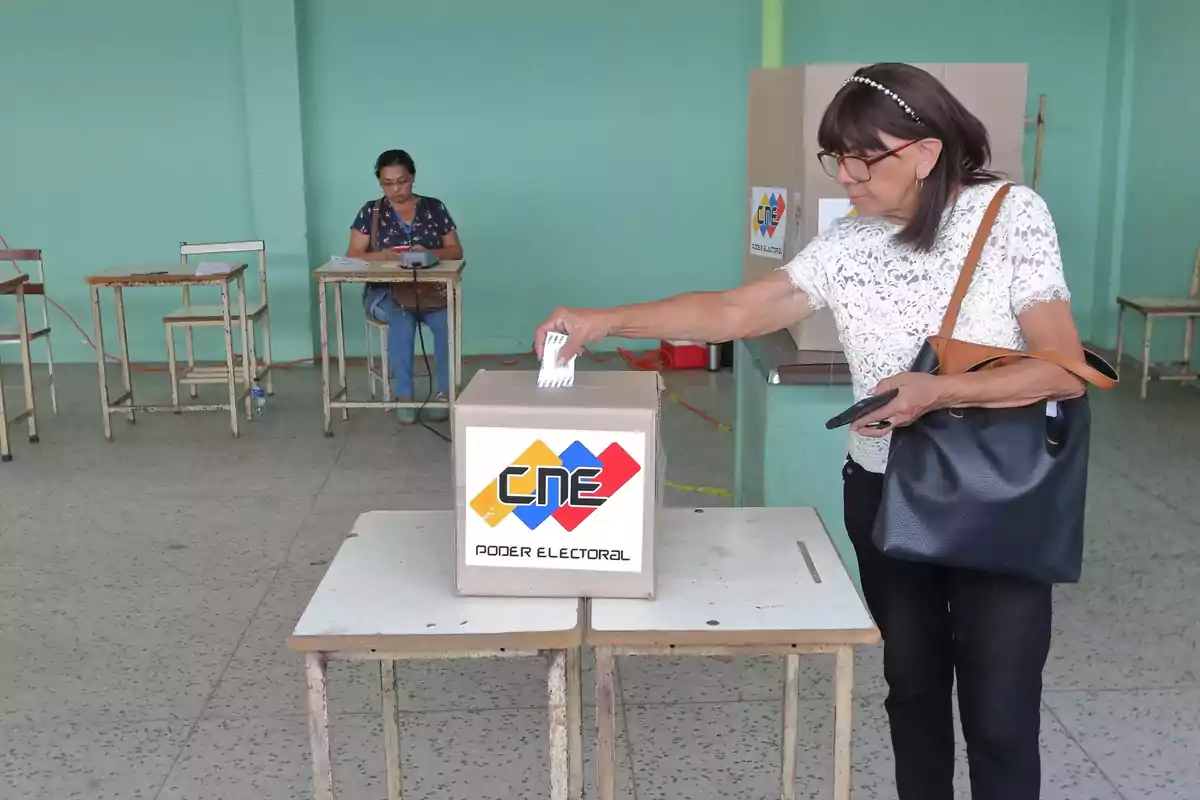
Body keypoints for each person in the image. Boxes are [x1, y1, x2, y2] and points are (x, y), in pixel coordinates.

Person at [533, 63, 1087, 800]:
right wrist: (604, 323)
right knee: (912, 692)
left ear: (923, 151)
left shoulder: (1011, 214)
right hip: (887, 494)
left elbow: (1062, 370)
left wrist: (941, 390)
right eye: (837, 157)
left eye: (863, 157)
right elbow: (734, 312)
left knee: (1001, 713)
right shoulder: (847, 245)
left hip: (997, 498)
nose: (846, 176)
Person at [347, 149, 464, 424]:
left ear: (413, 177)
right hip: (384, 292)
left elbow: (456, 250)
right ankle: (405, 395)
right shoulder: (371, 212)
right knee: (401, 318)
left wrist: (432, 253)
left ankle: (444, 395)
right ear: (380, 183)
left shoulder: (434, 208)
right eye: (388, 183)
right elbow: (352, 257)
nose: (396, 189)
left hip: (429, 291)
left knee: (446, 320)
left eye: (402, 181)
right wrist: (383, 256)